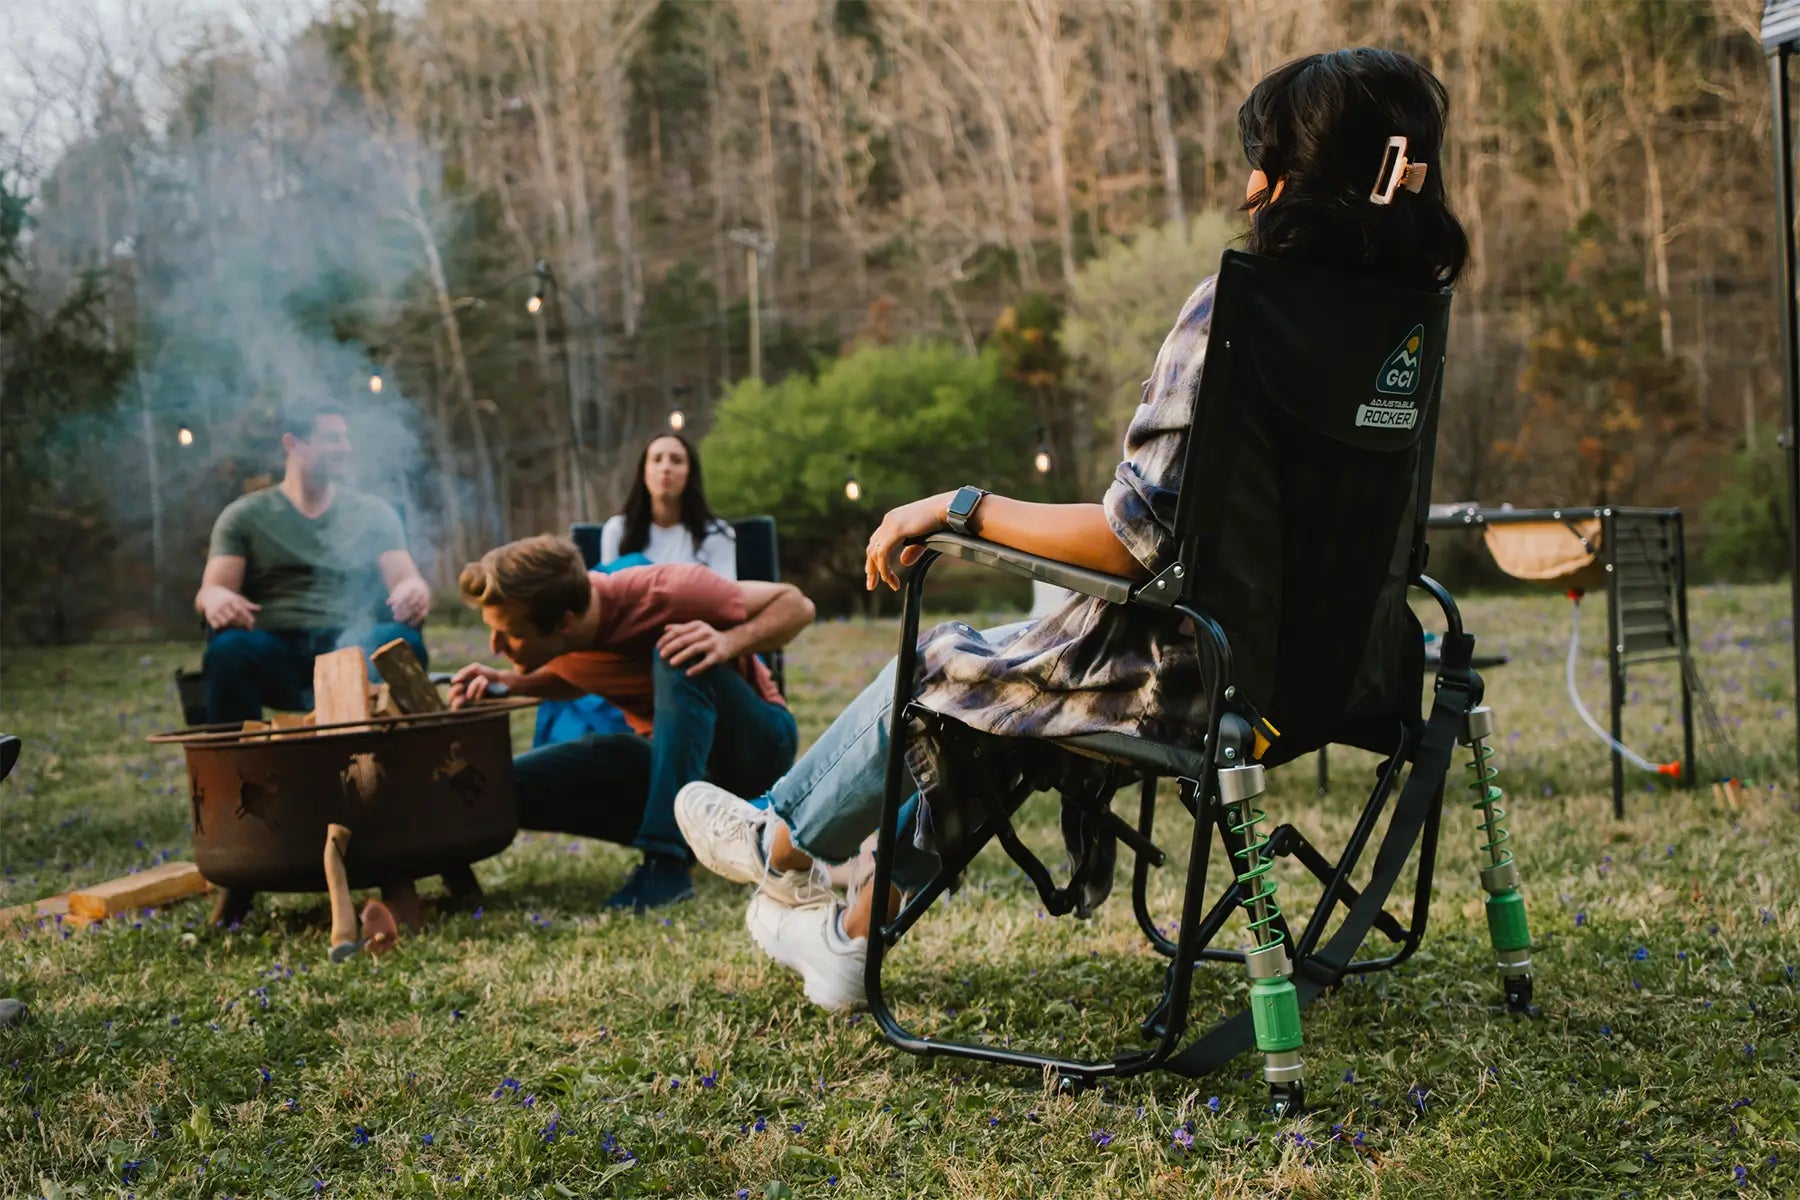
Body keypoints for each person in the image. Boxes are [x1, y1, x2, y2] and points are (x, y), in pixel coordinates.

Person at [675, 46, 1470, 1012]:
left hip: (1188, 680)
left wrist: (956, 507)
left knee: (945, 669)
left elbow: (1132, 538)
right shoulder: (1405, 327)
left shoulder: (1245, 314)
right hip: (1343, 674)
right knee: (999, 676)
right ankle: (845, 920)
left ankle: (784, 842)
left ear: (1274, 179)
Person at [449, 535, 816, 912]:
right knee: (507, 785)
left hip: (754, 754)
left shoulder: (667, 593)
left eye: (511, 634)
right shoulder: (561, 627)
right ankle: (451, 875)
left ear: (565, 623)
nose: (496, 646)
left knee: (676, 652)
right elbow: (577, 673)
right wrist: (509, 684)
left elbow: (796, 605)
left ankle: (665, 863)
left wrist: (728, 642)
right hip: (673, 766)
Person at [196, 401, 431, 724]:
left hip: (353, 643)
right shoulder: (244, 516)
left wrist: (414, 589)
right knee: (228, 651)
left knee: (400, 642)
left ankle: (398, 761)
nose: (345, 448)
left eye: (345, 439)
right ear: (293, 444)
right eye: (332, 439)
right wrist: (215, 598)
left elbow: (406, 579)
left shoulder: (374, 513)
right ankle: (236, 767)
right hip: (276, 649)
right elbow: (211, 591)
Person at [535, 433, 737, 747]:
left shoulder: (717, 535)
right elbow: (604, 595)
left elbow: (730, 600)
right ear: (644, 472)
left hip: (685, 642)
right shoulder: (619, 529)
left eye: (676, 460)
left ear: (690, 473)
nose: (665, 468)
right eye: (656, 460)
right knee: (570, 672)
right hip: (626, 641)